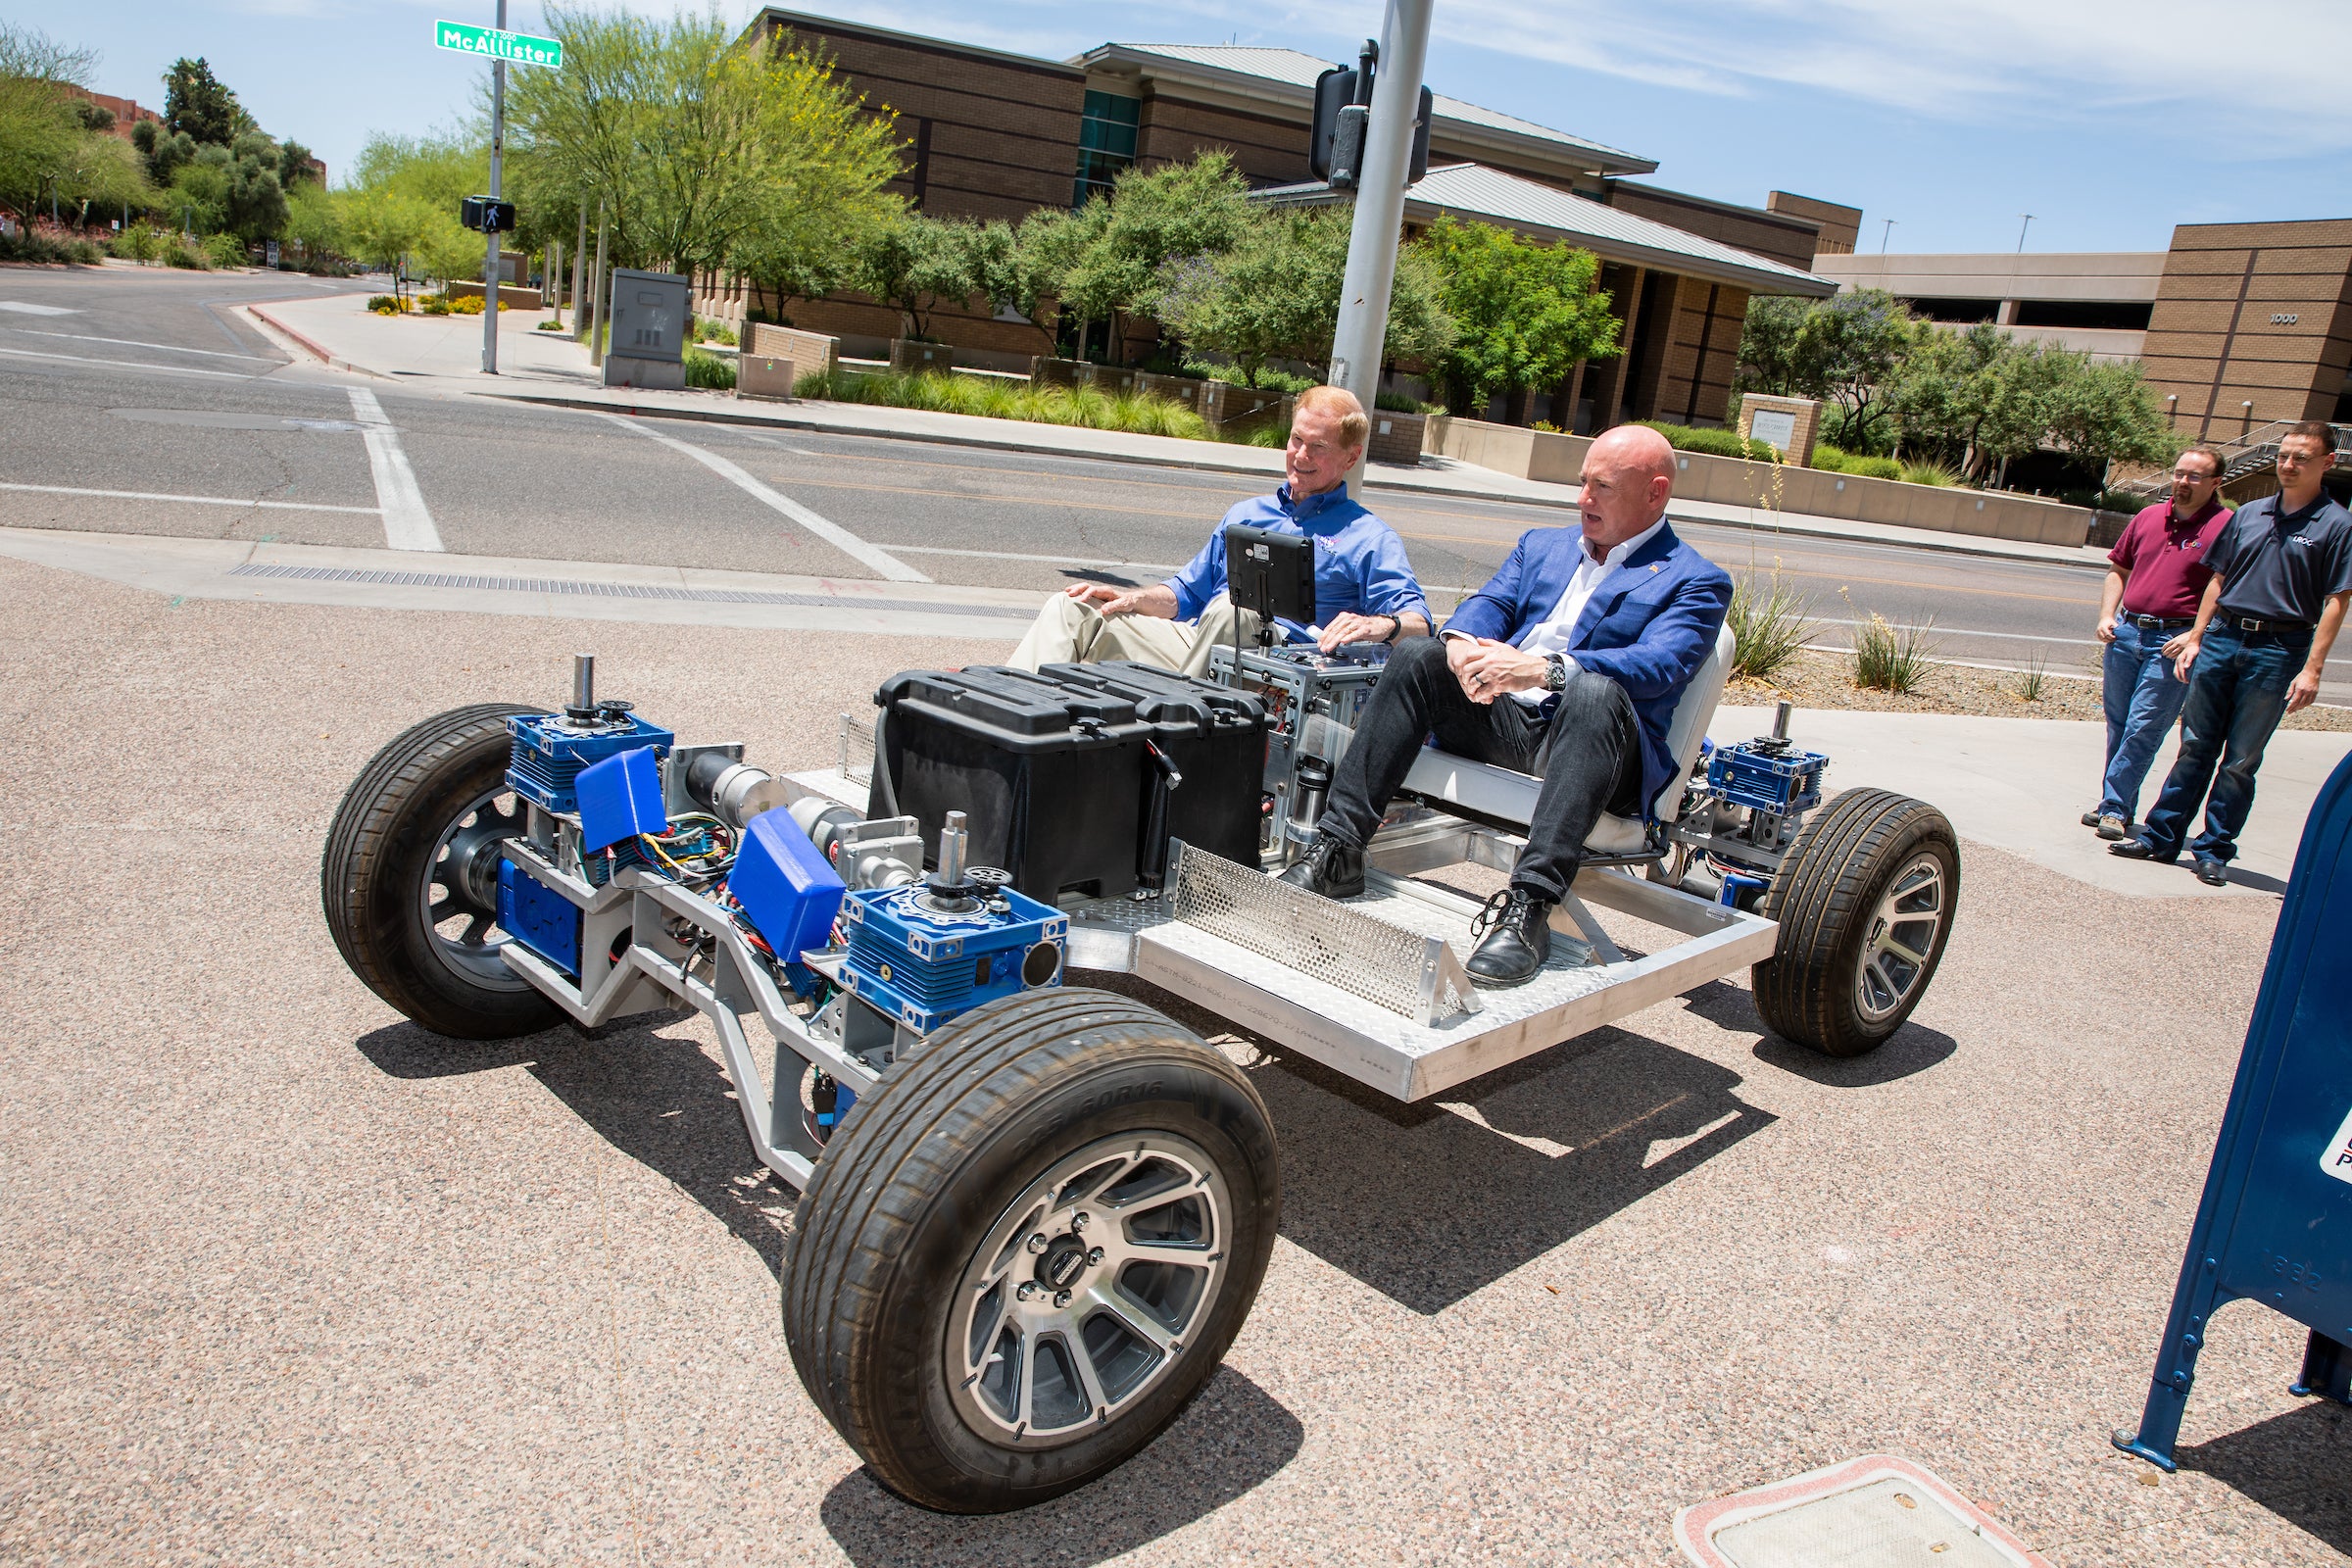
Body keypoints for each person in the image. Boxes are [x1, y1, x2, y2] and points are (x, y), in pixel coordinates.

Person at [1281, 423, 1733, 987]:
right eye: (1582, 482)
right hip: (1506, 717)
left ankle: (1529, 910)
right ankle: (1340, 849)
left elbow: (1660, 665)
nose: (1583, 499)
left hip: (1599, 749)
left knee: (1591, 690)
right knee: (1420, 654)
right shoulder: (1542, 545)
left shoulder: (1697, 579)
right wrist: (1465, 648)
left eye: (1603, 487)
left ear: (1655, 493)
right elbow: (1486, 604)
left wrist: (1546, 670)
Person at [1007, 385, 1430, 677]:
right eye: (1296, 439)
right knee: (1074, 610)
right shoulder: (1245, 514)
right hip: (1200, 647)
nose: (1300, 455)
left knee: (1236, 611)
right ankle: (1001, 726)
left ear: (1351, 457)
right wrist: (1132, 597)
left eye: (1318, 447)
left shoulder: (1369, 537)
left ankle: (1176, 733)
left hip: (1280, 673)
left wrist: (1382, 626)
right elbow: (1186, 593)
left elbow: (1419, 623)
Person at [2113, 420, 2352, 884]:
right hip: (2222, 637)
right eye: (2284, 455)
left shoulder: (2338, 525)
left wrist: (2312, 669)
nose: (2287, 464)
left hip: (2279, 648)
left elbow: (2338, 600)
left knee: (2241, 758)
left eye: (2301, 457)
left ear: (2328, 462)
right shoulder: (2250, 513)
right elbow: (2218, 579)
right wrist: (2198, 637)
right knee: (2195, 745)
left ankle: (2213, 849)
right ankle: (2162, 838)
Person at [2082, 447, 2230, 840]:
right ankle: (2117, 801)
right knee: (2118, 724)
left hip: (2171, 642)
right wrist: (2106, 614)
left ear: (2216, 483)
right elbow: (2119, 570)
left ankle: (2113, 807)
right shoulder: (2148, 517)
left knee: (2143, 726)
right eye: (2179, 473)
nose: (2183, 482)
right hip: (2127, 633)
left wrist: (2195, 634)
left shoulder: (2225, 526)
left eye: (2194, 476)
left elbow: (2224, 588)